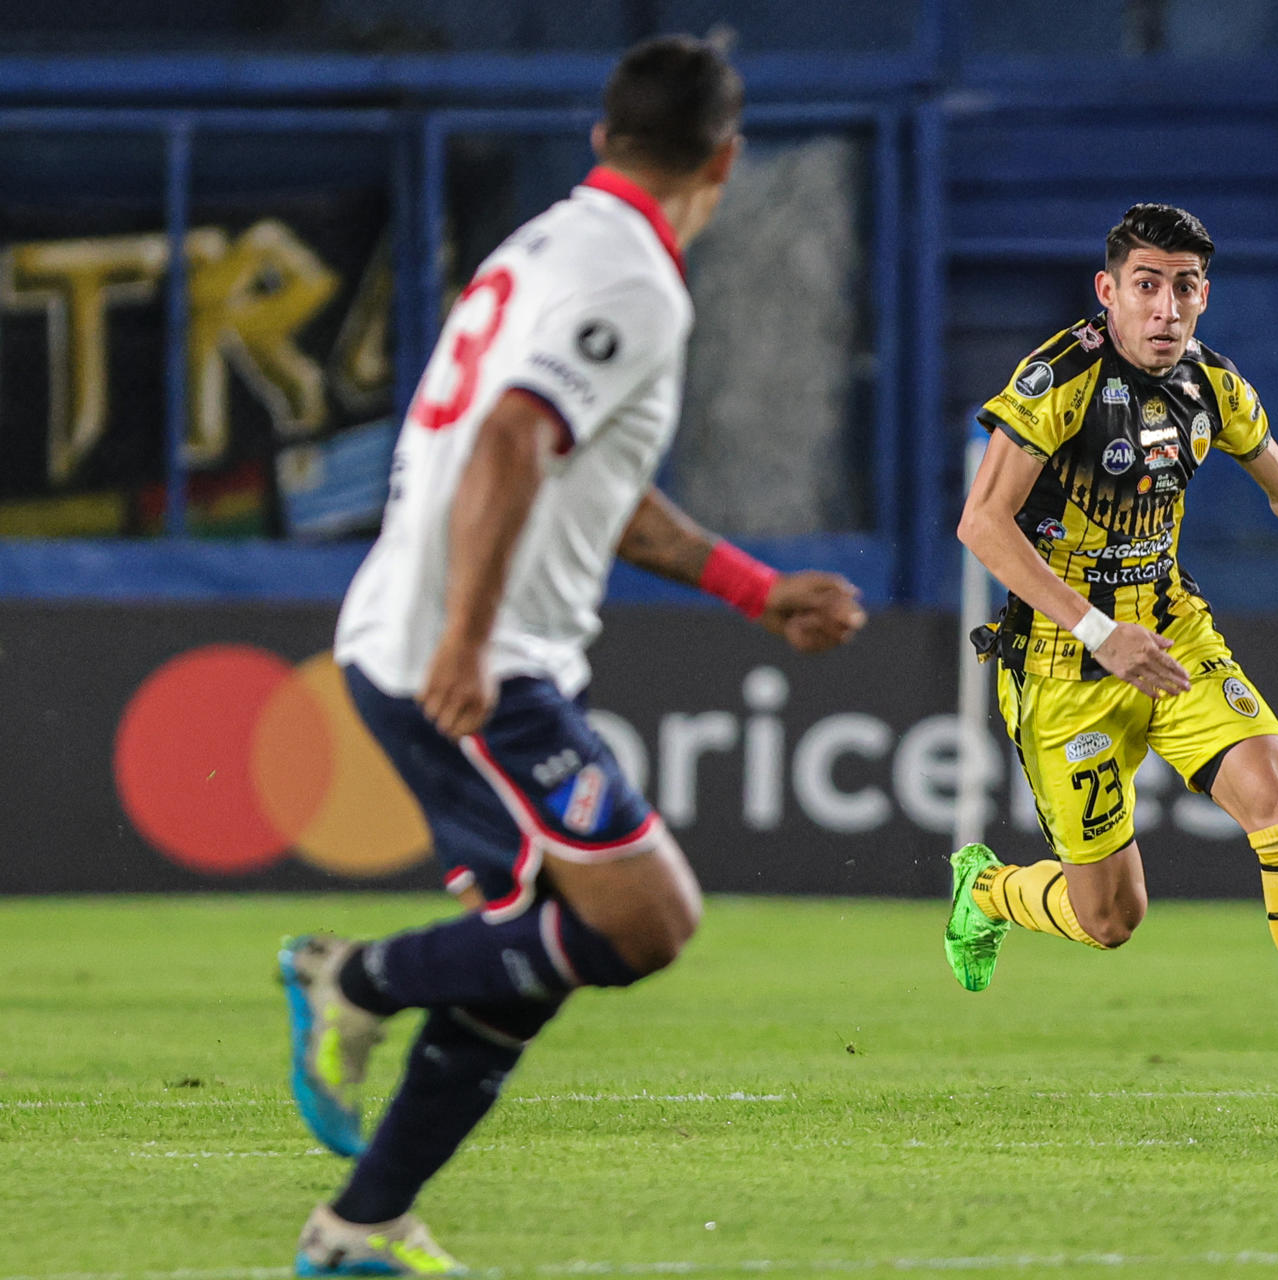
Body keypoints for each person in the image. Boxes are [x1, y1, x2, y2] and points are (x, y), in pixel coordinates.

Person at [278, 36, 866, 1275]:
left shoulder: (546, 246)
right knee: (648, 918)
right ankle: (357, 979)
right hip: (473, 659)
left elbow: (597, 486)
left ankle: (362, 1222)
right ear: (727, 157)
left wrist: (753, 589)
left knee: (543, 948)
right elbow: (506, 441)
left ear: (605, 141)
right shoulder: (632, 282)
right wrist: (469, 641)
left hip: (456, 640)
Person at [944, 203, 1278, 1127]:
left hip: (1173, 634)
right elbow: (980, 523)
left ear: (1206, 295)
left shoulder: (1213, 385)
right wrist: (1095, 633)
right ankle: (989, 890)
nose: (1166, 309)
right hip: (1065, 662)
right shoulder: (1058, 380)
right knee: (1111, 919)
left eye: (1185, 287)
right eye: (1147, 286)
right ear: (1107, 292)